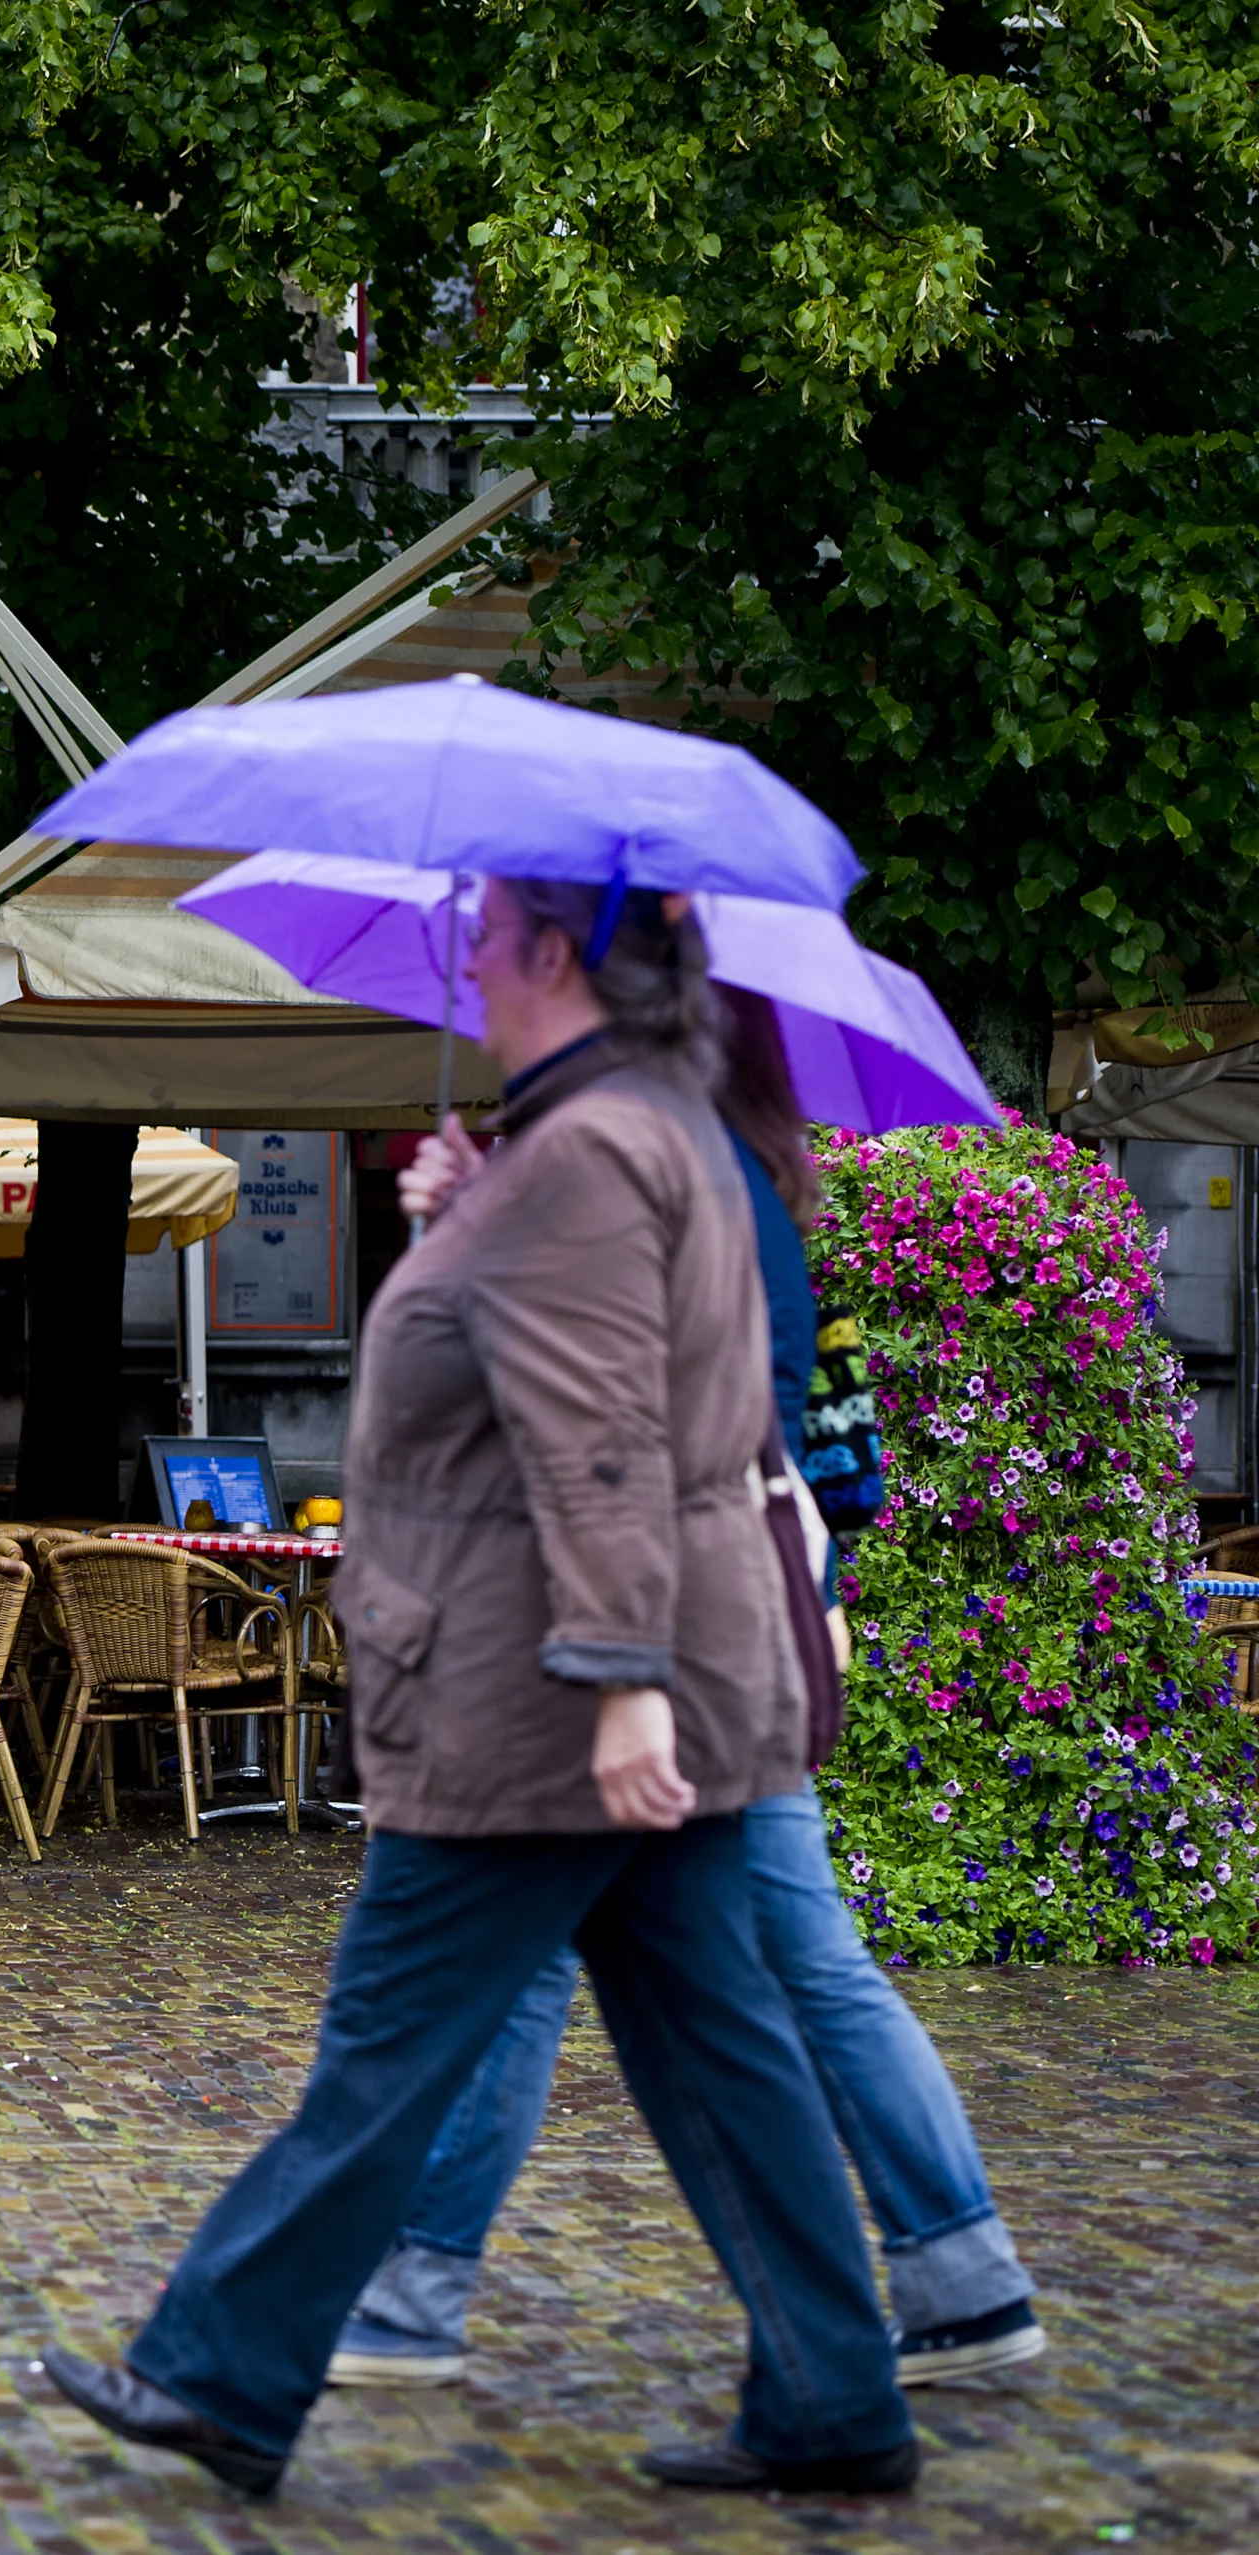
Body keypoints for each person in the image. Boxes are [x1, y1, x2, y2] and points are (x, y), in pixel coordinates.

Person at [36, 877, 918, 2499]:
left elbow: (595, 1436)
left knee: (394, 2036)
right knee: (720, 2042)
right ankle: (833, 2391)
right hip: (613, 1676)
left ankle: (219, 2372)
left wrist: (621, 1680)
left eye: (493, 928)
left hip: (545, 1695)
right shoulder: (631, 1128)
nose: (467, 953)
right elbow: (582, 1375)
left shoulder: (589, 1152)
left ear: (561, 956)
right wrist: (466, 1222)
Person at [326, 984, 1045, 2393]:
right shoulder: (700, 1165)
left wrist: (623, 1670)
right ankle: (946, 2280)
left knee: (676, 1965)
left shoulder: (684, 1175)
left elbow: (660, 1413)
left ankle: (414, 2290)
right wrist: (484, 1218)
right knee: (744, 1964)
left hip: (667, 1647)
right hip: (685, 1644)